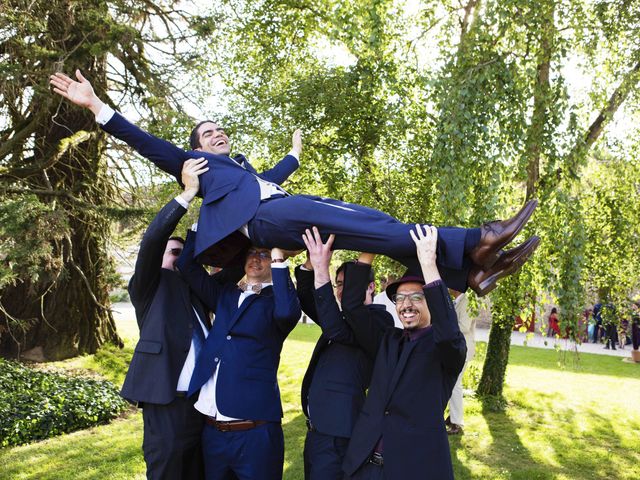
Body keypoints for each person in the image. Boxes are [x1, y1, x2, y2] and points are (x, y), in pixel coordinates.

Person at [50, 70, 540, 297]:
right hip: (261, 222)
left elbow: (270, 179)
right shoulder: (193, 166)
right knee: (355, 222)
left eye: (219, 129)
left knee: (371, 225)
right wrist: (96, 107)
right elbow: (145, 141)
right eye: (206, 133)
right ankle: (480, 237)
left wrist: (294, 156)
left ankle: (468, 273)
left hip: (279, 208)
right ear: (196, 148)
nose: (216, 133)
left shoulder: (240, 170)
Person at [123, 158, 242, 479]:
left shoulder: (196, 289)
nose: (179, 258)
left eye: (182, 253)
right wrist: (189, 193)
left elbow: (233, 270)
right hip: (166, 401)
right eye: (173, 253)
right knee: (169, 471)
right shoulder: (149, 285)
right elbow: (151, 243)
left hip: (202, 403)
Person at [341, 225, 467, 480]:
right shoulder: (388, 339)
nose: (406, 305)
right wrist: (369, 251)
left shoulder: (447, 349)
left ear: (431, 300)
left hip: (412, 469)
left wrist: (428, 264)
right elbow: (353, 308)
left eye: (417, 297)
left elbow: (447, 328)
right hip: (364, 465)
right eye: (400, 298)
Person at [176, 225, 301, 479]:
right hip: (212, 432)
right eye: (252, 252)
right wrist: (203, 221)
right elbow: (187, 266)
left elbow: (288, 312)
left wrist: (279, 259)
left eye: (264, 255)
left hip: (255, 433)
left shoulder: (278, 304)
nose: (256, 258)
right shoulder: (225, 296)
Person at [296, 227, 394, 480]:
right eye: (339, 284)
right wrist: (311, 260)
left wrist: (322, 269)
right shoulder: (339, 320)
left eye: (347, 285)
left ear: (371, 286)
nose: (341, 291)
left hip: (340, 434)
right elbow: (309, 299)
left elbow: (340, 326)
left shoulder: (379, 322)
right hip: (319, 431)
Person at [445, 289, 476, 435]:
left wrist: (444, 323)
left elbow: (464, 326)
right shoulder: (456, 301)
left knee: (455, 384)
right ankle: (453, 416)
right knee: (452, 383)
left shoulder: (467, 301)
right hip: (457, 348)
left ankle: (456, 422)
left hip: (464, 348)